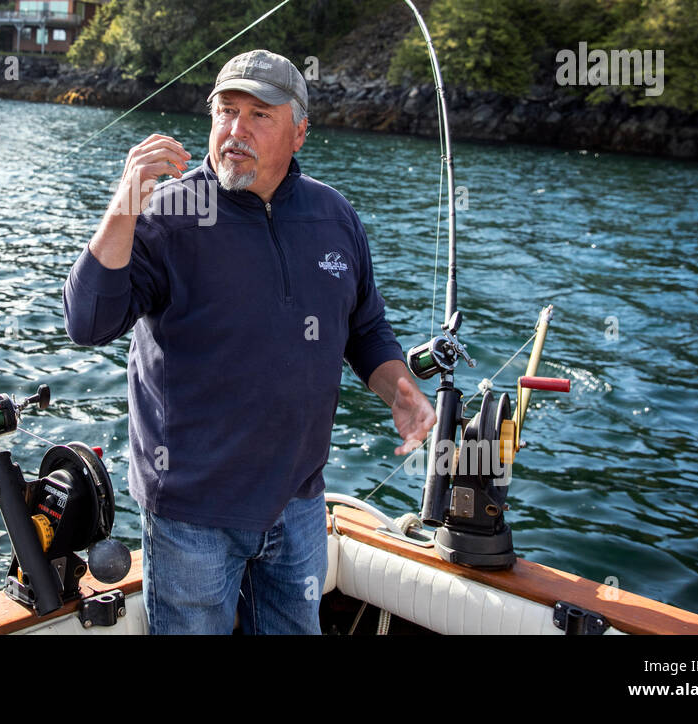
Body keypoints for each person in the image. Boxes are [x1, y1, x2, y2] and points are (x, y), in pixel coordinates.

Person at [63, 49, 435, 634]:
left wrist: (402, 392)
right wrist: (123, 206)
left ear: (300, 132)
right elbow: (88, 321)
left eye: (259, 115)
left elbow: (365, 330)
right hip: (192, 515)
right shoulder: (166, 215)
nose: (236, 130)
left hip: (301, 503)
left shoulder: (334, 217)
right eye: (225, 111)